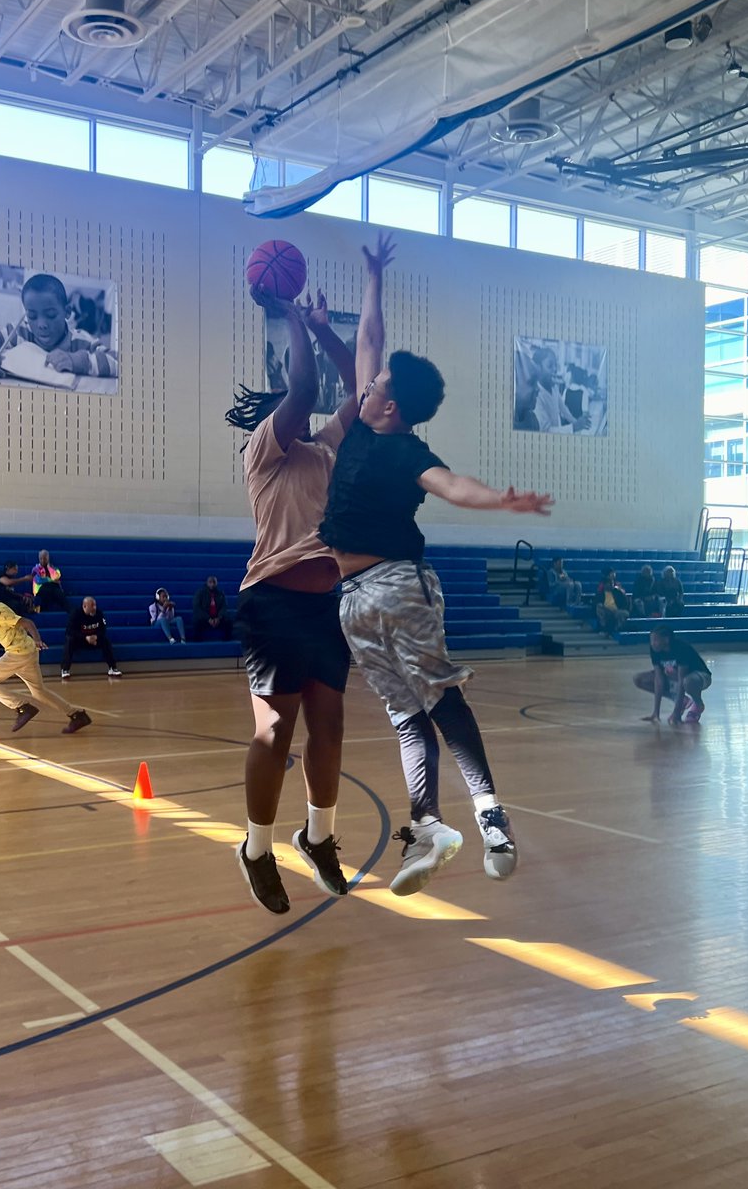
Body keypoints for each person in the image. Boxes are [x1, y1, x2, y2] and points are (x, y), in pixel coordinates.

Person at [318, 243, 553, 899]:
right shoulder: (362, 427)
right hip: (352, 598)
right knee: (405, 714)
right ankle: (427, 825)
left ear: (389, 407)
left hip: (398, 585)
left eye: (376, 386)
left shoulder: (406, 453)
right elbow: (369, 338)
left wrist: (502, 499)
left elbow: (453, 486)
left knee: (441, 699)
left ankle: (491, 817)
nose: (367, 384)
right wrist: (372, 276)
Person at [224, 249, 380, 916]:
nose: (301, 408)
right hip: (272, 603)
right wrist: (289, 315)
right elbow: (308, 390)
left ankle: (317, 839)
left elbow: (359, 391)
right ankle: (256, 849)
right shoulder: (264, 449)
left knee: (331, 729)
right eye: (289, 402)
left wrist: (323, 328)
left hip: (325, 607)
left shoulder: (323, 450)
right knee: (274, 734)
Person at [0, 581, 91, 734]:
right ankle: (77, 715)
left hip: (18, 654)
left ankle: (22, 707)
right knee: (39, 692)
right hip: (27, 652)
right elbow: (11, 632)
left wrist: (37, 639)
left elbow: (28, 623)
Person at [0, 273, 118, 380]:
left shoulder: (81, 341)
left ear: (67, 312)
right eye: (32, 316)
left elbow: (117, 361)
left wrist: (76, 361)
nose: (42, 325)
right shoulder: (20, 332)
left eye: (51, 315)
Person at [634, 624, 711, 724]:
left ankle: (698, 704)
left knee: (687, 682)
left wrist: (676, 713)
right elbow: (658, 679)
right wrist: (656, 712)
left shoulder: (681, 648)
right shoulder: (655, 649)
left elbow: (681, 680)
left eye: (655, 640)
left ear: (666, 640)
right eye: (651, 640)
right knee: (638, 679)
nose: (652, 643)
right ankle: (681, 700)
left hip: (700, 677)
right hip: (676, 677)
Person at [531, 347, 591, 434]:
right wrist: (574, 427)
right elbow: (545, 430)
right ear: (538, 368)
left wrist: (577, 423)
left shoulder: (554, 388)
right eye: (550, 366)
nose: (555, 369)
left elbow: (564, 409)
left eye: (555, 365)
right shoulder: (535, 395)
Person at [61, 596, 121, 678]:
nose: (94, 608)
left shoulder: (99, 613)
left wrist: (96, 636)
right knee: (69, 641)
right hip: (80, 640)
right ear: (84, 606)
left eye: (95, 605)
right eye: (92, 606)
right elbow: (70, 631)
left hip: (94, 640)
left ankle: (112, 668)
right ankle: (65, 669)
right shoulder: (75, 614)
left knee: (105, 641)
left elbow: (103, 629)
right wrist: (85, 637)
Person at [192, 576, 233, 641]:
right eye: (210, 582)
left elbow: (224, 607)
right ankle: (197, 642)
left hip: (217, 618)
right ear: (207, 583)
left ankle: (227, 641)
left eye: (214, 582)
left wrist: (218, 618)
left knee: (228, 621)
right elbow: (197, 607)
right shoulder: (200, 593)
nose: (212, 584)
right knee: (197, 622)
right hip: (205, 618)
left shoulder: (220, 593)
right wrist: (208, 619)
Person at [595, 568, 629, 634]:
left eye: (612, 584)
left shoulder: (617, 592)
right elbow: (596, 602)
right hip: (606, 610)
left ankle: (616, 629)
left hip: (616, 610)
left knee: (623, 613)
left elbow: (625, 602)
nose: (610, 585)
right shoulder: (601, 593)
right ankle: (604, 628)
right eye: (609, 583)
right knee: (599, 608)